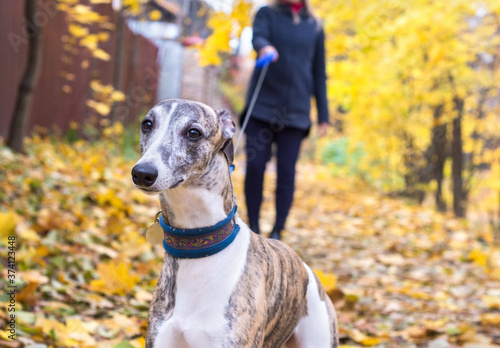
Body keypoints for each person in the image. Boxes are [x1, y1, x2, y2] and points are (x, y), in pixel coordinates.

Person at [243, 0, 329, 240]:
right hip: (262, 107)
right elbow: (257, 37)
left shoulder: (315, 25)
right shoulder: (266, 13)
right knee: (256, 165)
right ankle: (253, 229)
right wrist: (265, 47)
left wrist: (323, 114)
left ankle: (278, 231)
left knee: (286, 172)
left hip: (296, 111)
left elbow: (319, 72)